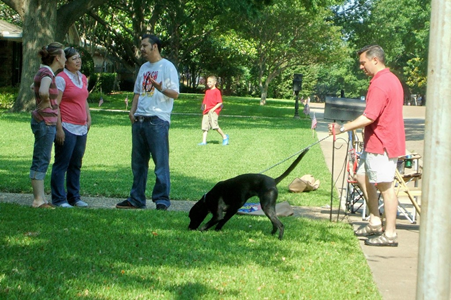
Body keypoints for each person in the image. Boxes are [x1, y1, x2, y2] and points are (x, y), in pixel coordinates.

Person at [328, 45, 405, 247]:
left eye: (363, 63)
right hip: (376, 142)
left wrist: (342, 128)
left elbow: (369, 116)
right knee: (361, 175)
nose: (361, 67)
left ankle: (390, 234)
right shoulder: (390, 79)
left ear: (375, 60)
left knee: (386, 188)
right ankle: (375, 221)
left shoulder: (380, 84)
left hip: (383, 143)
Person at [116, 34, 179, 210]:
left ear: (155, 47)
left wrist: (161, 88)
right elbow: (138, 92)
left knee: (160, 164)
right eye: (141, 46)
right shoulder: (144, 68)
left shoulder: (167, 67)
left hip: (157, 121)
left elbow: (175, 93)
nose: (141, 49)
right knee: (138, 164)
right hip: (140, 120)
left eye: (144, 46)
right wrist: (132, 111)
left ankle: (161, 200)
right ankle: (136, 199)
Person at [51, 47, 91, 208]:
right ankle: (59, 198)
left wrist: (88, 118)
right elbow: (56, 105)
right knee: (62, 163)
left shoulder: (82, 78)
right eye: (74, 58)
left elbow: (84, 99)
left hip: (81, 127)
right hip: (67, 126)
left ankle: (74, 197)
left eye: (79, 57)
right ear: (65, 62)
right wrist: (59, 128)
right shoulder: (61, 79)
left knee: (76, 163)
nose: (78, 61)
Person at [30, 42, 66, 208]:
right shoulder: (47, 73)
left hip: (44, 121)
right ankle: (38, 200)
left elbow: (33, 86)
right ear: (57, 58)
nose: (66, 59)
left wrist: (42, 98)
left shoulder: (44, 72)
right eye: (64, 56)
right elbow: (43, 90)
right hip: (45, 122)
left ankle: (42, 199)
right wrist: (44, 101)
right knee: (41, 158)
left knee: (43, 157)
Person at [198, 76, 229, 146]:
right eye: (207, 82)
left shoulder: (217, 91)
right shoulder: (207, 92)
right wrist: (205, 110)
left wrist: (213, 109)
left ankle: (224, 137)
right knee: (204, 127)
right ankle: (204, 142)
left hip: (213, 112)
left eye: (210, 82)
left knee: (215, 126)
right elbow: (205, 102)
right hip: (206, 112)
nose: (208, 83)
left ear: (215, 82)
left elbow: (220, 103)